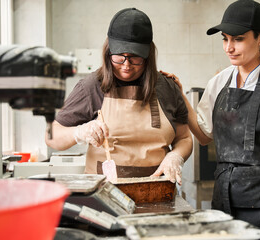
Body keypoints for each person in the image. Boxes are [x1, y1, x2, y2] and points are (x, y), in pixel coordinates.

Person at [162, 0, 260, 239]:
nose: (229, 47)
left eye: (238, 39)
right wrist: (181, 95)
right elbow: (205, 136)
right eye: (225, 39)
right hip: (226, 204)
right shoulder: (218, 82)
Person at [45, 8, 192, 184]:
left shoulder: (167, 88)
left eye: (135, 58)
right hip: (103, 194)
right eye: (119, 57)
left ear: (148, 55)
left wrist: (175, 156)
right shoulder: (91, 87)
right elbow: (51, 137)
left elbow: (184, 138)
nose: (126, 65)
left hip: (157, 191)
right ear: (108, 52)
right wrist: (79, 132)